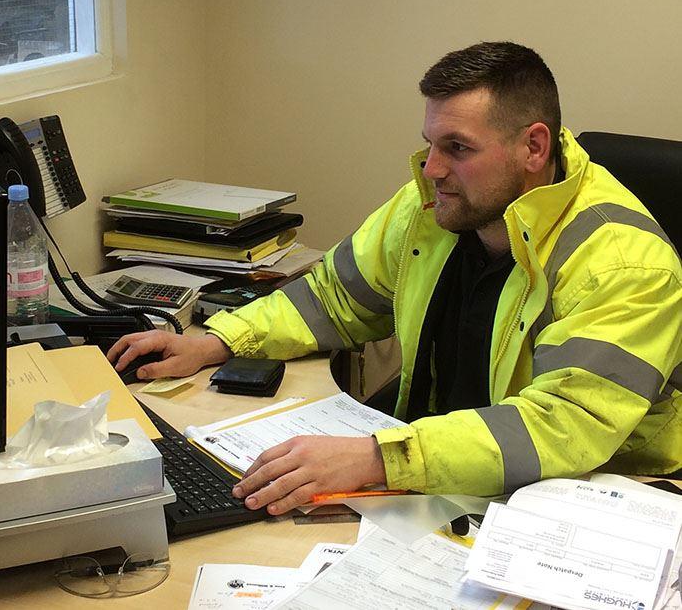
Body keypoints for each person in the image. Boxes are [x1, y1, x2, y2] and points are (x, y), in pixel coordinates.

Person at [108, 42, 682, 517]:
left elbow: (562, 427)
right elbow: (336, 296)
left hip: (590, 507)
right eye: (431, 143)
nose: (432, 169)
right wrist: (216, 340)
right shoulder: (433, 206)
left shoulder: (622, 262)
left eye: (457, 148)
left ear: (533, 146)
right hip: (441, 484)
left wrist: (380, 458)